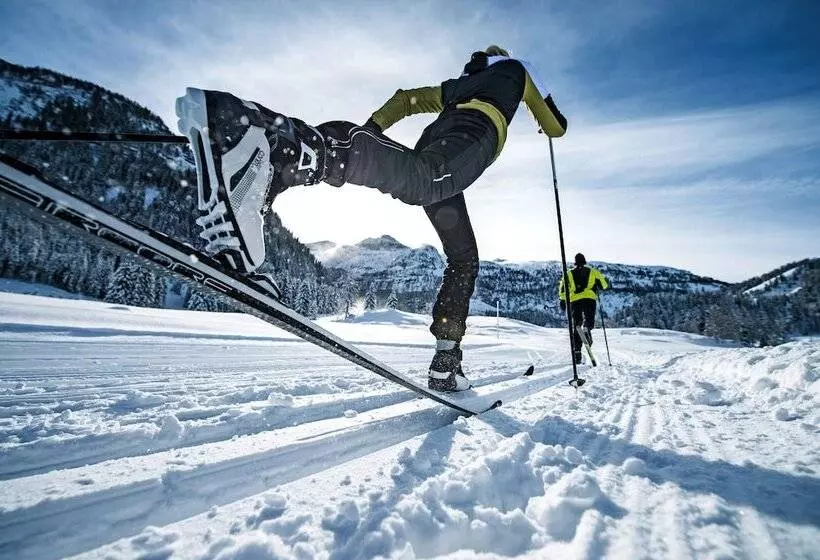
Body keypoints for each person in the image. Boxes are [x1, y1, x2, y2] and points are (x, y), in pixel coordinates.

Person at [176, 45, 567, 392]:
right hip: (472, 138)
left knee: (463, 255)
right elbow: (555, 127)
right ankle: (286, 147)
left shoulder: (462, 84)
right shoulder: (516, 70)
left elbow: (408, 99)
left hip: (437, 142)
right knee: (424, 182)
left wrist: (372, 131)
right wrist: (355, 145)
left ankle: (447, 362)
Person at [558, 253, 609, 364]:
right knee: (589, 319)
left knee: (576, 325)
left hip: (574, 301)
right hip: (589, 299)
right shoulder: (593, 271)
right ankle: (587, 330)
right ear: (584, 261)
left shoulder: (568, 274)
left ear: (575, 262)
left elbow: (562, 289)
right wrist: (597, 284)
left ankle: (577, 352)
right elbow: (604, 285)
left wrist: (562, 300)